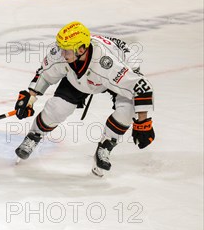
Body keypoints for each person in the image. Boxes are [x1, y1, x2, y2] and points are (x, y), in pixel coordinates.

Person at [13, 21, 155, 176]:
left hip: (113, 75)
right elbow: (45, 73)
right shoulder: (64, 52)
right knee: (59, 108)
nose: (61, 53)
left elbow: (142, 87)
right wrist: (30, 98)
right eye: (61, 48)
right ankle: (34, 135)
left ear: (81, 49)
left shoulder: (108, 63)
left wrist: (143, 122)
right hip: (82, 77)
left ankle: (106, 145)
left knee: (127, 110)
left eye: (66, 50)